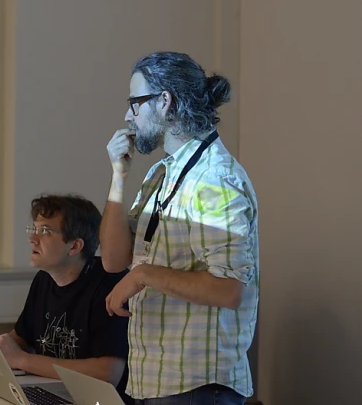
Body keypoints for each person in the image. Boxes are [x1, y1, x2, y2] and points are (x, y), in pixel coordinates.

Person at [100, 52, 259, 405]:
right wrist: (118, 178)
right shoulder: (161, 173)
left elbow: (229, 290)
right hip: (154, 378)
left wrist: (143, 276)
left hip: (198, 386)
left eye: (135, 103)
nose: (128, 115)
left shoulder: (215, 180)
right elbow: (113, 261)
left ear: (165, 101)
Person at [0, 194, 130, 399]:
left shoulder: (111, 284)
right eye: (34, 229)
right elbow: (21, 339)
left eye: (45, 231)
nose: (32, 238)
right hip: (55, 394)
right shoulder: (44, 280)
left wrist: (22, 360)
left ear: (74, 246)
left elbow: (107, 374)